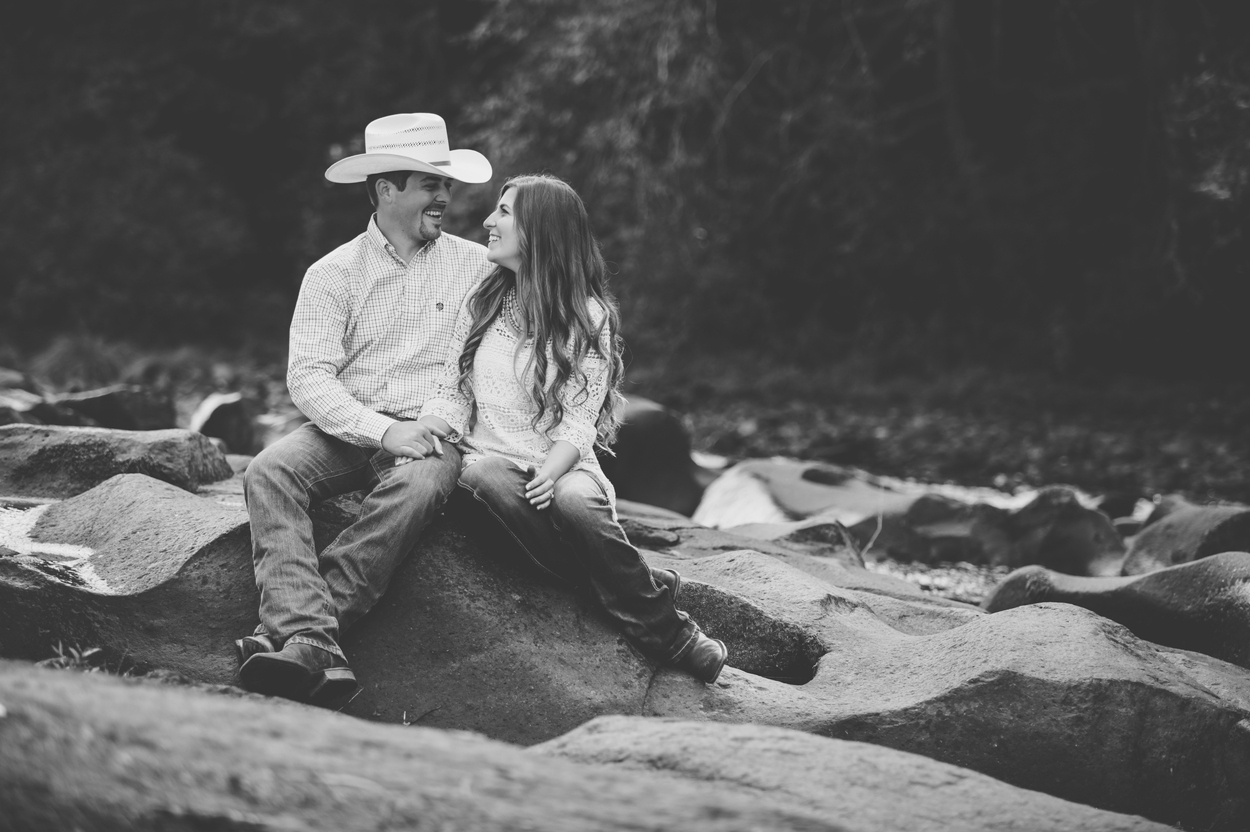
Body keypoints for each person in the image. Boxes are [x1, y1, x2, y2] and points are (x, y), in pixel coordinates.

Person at [417, 174, 729, 683]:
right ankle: (650, 596)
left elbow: (580, 420)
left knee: (576, 501)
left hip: (564, 460)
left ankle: (667, 633)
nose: (487, 222)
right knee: (486, 478)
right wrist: (420, 429)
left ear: (541, 231)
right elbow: (453, 392)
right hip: (490, 461)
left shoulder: (588, 315)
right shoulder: (481, 301)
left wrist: (552, 472)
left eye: (503, 213)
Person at [237, 113, 493, 704]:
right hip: (348, 428)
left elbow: (481, 364)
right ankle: (312, 640)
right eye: (430, 184)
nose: (445, 197)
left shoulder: (476, 268)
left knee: (418, 488)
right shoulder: (332, 274)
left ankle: (294, 636)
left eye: (445, 184)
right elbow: (307, 378)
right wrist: (382, 431)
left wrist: (434, 423)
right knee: (268, 470)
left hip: (433, 431)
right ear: (386, 190)